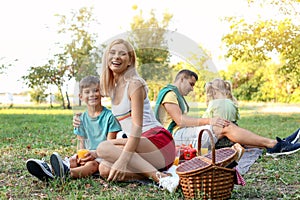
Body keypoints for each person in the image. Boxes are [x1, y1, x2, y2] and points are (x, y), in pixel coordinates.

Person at [73, 39, 178, 193]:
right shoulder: (112, 87)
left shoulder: (135, 84)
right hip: (140, 149)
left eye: (122, 54)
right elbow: (90, 96)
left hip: (158, 142)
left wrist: (123, 160)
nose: (116, 57)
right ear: (107, 58)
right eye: (113, 53)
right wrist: (79, 117)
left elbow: (136, 128)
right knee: (104, 169)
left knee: (103, 147)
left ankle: (160, 178)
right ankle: (160, 175)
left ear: (130, 61)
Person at [154, 69, 300, 157]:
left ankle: (276, 144)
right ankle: (275, 145)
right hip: (173, 138)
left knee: (225, 125)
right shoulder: (169, 93)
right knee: (223, 126)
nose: (192, 89)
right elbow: (180, 120)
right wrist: (209, 121)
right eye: (191, 84)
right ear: (181, 79)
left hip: (181, 134)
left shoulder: (173, 94)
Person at [26, 75, 122, 182]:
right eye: (87, 92)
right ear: (81, 96)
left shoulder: (110, 117)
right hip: (86, 153)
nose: (92, 95)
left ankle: (67, 174)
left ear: (102, 93)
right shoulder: (80, 118)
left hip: (102, 156)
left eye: (96, 90)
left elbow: (110, 146)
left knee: (92, 165)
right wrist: (79, 156)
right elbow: (81, 143)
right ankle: (49, 170)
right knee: (72, 161)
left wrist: (94, 155)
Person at [202, 78, 240, 148]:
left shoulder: (213, 103)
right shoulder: (232, 103)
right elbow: (236, 117)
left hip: (219, 139)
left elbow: (205, 118)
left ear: (214, 92)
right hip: (234, 137)